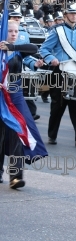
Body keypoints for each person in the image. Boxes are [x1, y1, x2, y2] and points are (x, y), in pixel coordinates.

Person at [39, 3, 76, 148]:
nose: (73, 16)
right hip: (59, 71)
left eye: (75, 13)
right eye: (71, 13)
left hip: (75, 73)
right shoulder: (57, 31)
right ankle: (52, 135)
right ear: (65, 15)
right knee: (57, 105)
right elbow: (44, 49)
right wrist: (51, 59)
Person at [0, 21, 48, 188]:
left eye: (16, 31)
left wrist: (11, 47)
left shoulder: (17, 49)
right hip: (1, 97)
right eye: (10, 31)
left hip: (16, 97)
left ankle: (16, 176)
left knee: (19, 131)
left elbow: (34, 49)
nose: (14, 34)